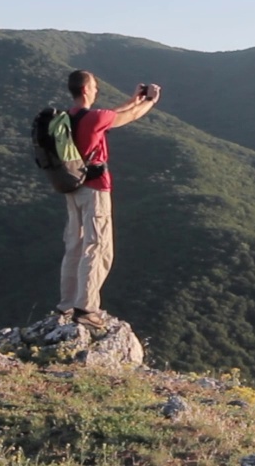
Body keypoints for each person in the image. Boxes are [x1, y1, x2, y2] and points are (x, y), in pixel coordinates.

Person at [56, 69, 160, 328]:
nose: (97, 91)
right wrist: (149, 102)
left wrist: (133, 99)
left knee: (75, 246)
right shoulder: (94, 118)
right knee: (97, 247)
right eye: (94, 87)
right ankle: (86, 307)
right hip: (95, 189)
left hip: (72, 187)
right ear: (85, 90)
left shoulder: (69, 118)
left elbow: (116, 113)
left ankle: (67, 305)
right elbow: (129, 117)